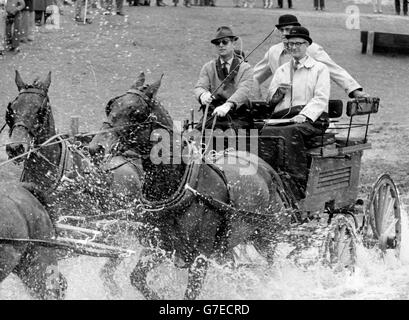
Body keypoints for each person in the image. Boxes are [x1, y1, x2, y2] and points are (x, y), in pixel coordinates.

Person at [263, 26, 330, 198]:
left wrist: (304, 115)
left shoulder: (319, 69)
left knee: (289, 133)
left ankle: (296, 183)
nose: (293, 48)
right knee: (265, 132)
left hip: (312, 120)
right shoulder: (282, 70)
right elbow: (270, 99)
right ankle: (269, 177)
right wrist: (279, 94)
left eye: (298, 44)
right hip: (285, 118)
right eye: (290, 44)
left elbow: (320, 98)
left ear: (307, 44)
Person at [254, 14, 369, 100]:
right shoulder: (273, 51)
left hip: (308, 102)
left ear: (295, 29)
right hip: (280, 103)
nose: (284, 33)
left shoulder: (312, 49)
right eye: (281, 30)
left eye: (288, 29)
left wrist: (354, 91)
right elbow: (254, 76)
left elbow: (334, 70)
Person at [194, 26, 253, 131]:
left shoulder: (245, 68)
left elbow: (244, 90)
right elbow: (199, 87)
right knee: (196, 136)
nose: (221, 45)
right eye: (217, 43)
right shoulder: (208, 67)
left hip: (238, 115)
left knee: (238, 139)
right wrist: (203, 94)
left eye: (225, 42)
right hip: (213, 114)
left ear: (233, 44)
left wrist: (228, 105)